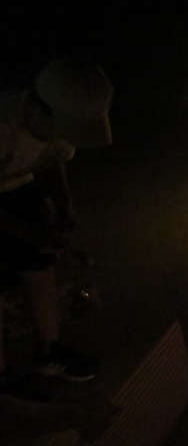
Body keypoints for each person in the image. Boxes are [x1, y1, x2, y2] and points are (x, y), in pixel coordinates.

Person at [1, 59, 113, 395]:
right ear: (37, 110)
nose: (64, 136)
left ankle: (49, 353)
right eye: (60, 127)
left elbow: (52, 161)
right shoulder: (4, 126)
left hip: (17, 183)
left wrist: (64, 205)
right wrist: (29, 233)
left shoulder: (59, 118)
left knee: (39, 263)